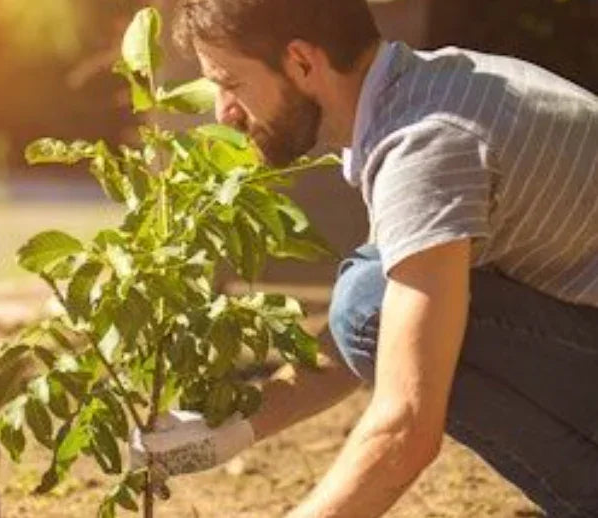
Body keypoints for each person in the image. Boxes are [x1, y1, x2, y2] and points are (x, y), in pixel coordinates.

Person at [131, 1, 598, 516]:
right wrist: (241, 425)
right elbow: (401, 326)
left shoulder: (424, 146)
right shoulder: (431, 90)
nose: (223, 113)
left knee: (364, 302)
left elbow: (406, 425)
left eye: (230, 83)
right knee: (370, 298)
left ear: (302, 62)